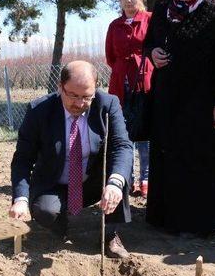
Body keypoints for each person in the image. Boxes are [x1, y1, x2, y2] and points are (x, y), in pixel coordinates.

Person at [143, 0, 215, 237]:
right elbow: (150, 41)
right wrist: (152, 54)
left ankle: (197, 223)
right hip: (167, 97)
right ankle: (165, 218)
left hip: (202, 100)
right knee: (168, 155)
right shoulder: (163, 6)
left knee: (198, 159)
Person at [9, 61, 134, 258]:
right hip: (54, 182)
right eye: (73, 96)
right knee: (46, 212)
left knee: (120, 173)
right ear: (60, 87)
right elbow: (23, 159)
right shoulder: (39, 111)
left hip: (93, 181)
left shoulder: (107, 105)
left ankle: (111, 233)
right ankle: (60, 225)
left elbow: (122, 146)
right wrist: (20, 199)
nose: (79, 103)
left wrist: (115, 183)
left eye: (86, 97)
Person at [105, 0, 154, 198]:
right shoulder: (114, 25)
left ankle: (146, 179)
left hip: (145, 83)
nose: (128, 0)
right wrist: (121, 69)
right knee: (123, 133)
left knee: (144, 132)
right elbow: (110, 55)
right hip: (120, 84)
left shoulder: (150, 20)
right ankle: (128, 179)